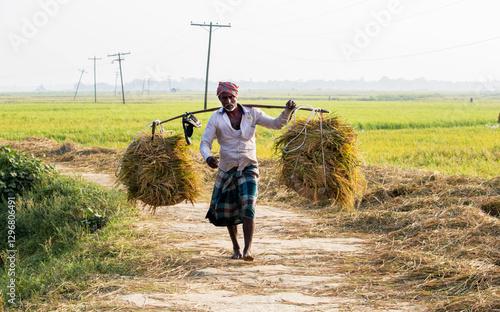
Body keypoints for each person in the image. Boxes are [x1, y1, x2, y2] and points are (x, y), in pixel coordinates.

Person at [200, 82, 296, 261]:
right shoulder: (216, 119)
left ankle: (247, 250)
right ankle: (236, 247)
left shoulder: (252, 113)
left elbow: (276, 124)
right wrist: (208, 158)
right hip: (227, 167)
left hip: (248, 166)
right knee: (229, 210)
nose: (228, 101)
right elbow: (205, 143)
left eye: (231, 97)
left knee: (248, 206)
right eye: (224, 98)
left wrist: (287, 111)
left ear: (237, 95)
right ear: (219, 99)